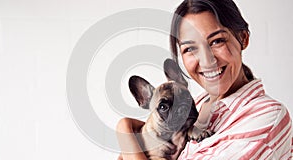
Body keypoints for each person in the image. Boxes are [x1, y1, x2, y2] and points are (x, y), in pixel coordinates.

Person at [116, 0, 293, 159]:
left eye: (217, 41)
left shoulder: (267, 117)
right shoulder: (199, 103)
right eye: (190, 49)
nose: (207, 59)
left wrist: (124, 129)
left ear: (243, 38)